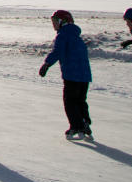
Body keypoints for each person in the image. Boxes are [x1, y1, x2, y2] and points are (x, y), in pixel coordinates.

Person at [38, 9, 92, 141]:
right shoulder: (75, 35)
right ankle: (85, 122)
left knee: (70, 102)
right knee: (80, 100)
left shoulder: (63, 35)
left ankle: (77, 126)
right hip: (84, 76)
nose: (54, 25)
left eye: (55, 21)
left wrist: (46, 64)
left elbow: (58, 52)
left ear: (63, 22)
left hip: (72, 76)